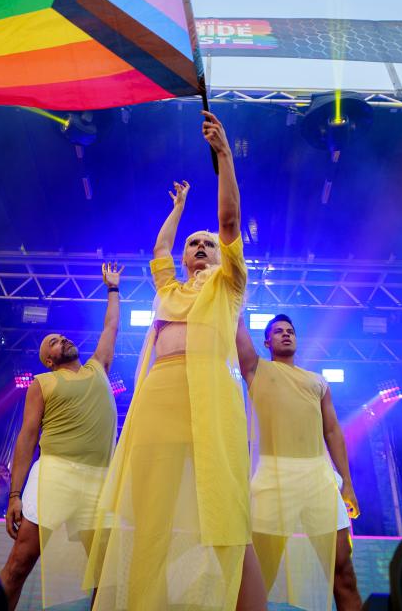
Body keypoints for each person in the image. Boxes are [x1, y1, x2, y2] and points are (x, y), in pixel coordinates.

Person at [86, 111, 267, 610]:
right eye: (196, 244)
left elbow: (229, 221)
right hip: (159, 399)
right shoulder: (168, 287)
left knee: (227, 515)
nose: (202, 246)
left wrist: (224, 155)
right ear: (187, 259)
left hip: (211, 399)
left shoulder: (230, 285)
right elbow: (161, 246)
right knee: (149, 511)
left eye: (208, 243)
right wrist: (180, 208)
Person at [0, 263, 122, 610]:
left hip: (101, 480)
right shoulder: (43, 382)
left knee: (104, 574)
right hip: (55, 475)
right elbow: (26, 438)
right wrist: (14, 494)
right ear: (48, 360)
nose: (62, 339)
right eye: (53, 341)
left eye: (62, 337)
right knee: (20, 563)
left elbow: (111, 326)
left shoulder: (99, 368)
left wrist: (113, 289)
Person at [236, 314, 362, 610]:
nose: (285, 334)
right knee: (253, 581)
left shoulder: (318, 381)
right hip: (272, 479)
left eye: (290, 331)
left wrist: (347, 485)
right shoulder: (256, 369)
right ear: (267, 341)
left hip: (319, 478)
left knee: (343, 573)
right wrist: (234, 294)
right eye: (278, 331)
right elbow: (237, 329)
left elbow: (332, 431)